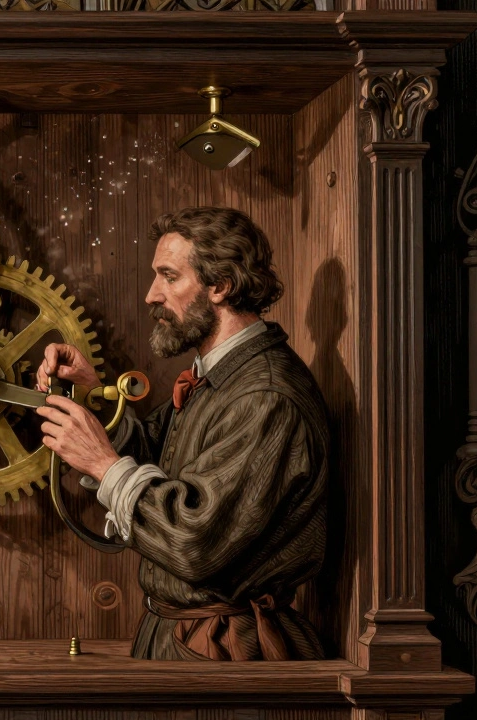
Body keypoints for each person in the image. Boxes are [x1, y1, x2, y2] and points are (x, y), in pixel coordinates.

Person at [36, 206, 329, 662]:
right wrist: (93, 394)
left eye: (169, 277)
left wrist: (102, 463)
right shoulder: (218, 378)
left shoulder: (266, 397)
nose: (152, 295)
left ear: (220, 286)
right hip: (180, 635)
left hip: (222, 650)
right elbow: (158, 462)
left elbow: (194, 542)